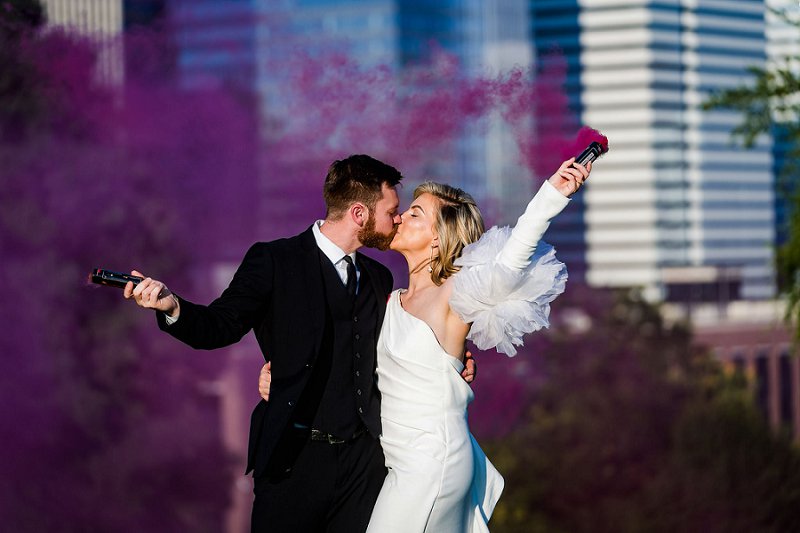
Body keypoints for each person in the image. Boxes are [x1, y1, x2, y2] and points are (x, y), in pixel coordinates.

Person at [123, 154, 475, 533]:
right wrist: (172, 306)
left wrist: (452, 363)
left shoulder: (378, 278)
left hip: (364, 465)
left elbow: (402, 347)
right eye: (392, 210)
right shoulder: (274, 261)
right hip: (294, 462)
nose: (398, 219)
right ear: (359, 214)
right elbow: (219, 326)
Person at [258, 156, 591, 532]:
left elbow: (510, 263)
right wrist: (283, 376)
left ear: (437, 237)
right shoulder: (389, 297)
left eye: (414, 213)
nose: (398, 218)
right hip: (397, 463)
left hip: (433, 461)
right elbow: (343, 356)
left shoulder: (455, 292)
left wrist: (552, 194)